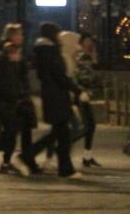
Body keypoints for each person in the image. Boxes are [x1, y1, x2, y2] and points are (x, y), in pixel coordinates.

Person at [0, 41, 39, 175]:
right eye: (18, 54)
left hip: (7, 105)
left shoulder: (9, 65)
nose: (19, 56)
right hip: (6, 106)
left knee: (9, 134)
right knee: (10, 134)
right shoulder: (5, 67)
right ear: (12, 54)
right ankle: (3, 162)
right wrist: (18, 97)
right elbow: (7, 88)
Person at [28, 22, 81, 179]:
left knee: (61, 133)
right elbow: (59, 75)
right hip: (56, 96)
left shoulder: (45, 51)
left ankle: (64, 168)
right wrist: (77, 90)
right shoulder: (50, 51)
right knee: (61, 133)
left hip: (54, 95)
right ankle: (27, 157)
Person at [74, 33, 101, 168]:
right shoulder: (82, 57)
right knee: (87, 127)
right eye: (87, 40)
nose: (90, 43)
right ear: (82, 42)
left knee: (90, 126)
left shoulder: (87, 56)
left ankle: (87, 157)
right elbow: (85, 77)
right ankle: (63, 146)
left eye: (90, 41)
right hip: (81, 95)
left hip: (85, 94)